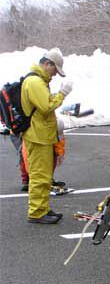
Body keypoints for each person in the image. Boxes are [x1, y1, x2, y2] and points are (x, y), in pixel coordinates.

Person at [21, 48, 72, 224]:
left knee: (43, 176)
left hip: (40, 134)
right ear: (47, 64)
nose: (55, 75)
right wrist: (62, 94)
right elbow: (46, 106)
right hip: (37, 135)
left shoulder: (38, 80)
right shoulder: (35, 82)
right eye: (55, 70)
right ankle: (36, 212)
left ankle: (42, 208)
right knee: (39, 175)